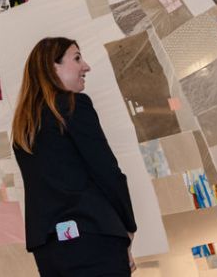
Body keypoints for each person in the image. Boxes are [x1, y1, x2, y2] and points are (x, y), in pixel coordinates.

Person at [12, 37, 137, 276]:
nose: (86, 66)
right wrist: (127, 227)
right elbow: (107, 171)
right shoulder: (73, 105)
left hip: (49, 249)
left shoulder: (23, 127)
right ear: (52, 66)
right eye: (77, 58)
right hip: (92, 237)